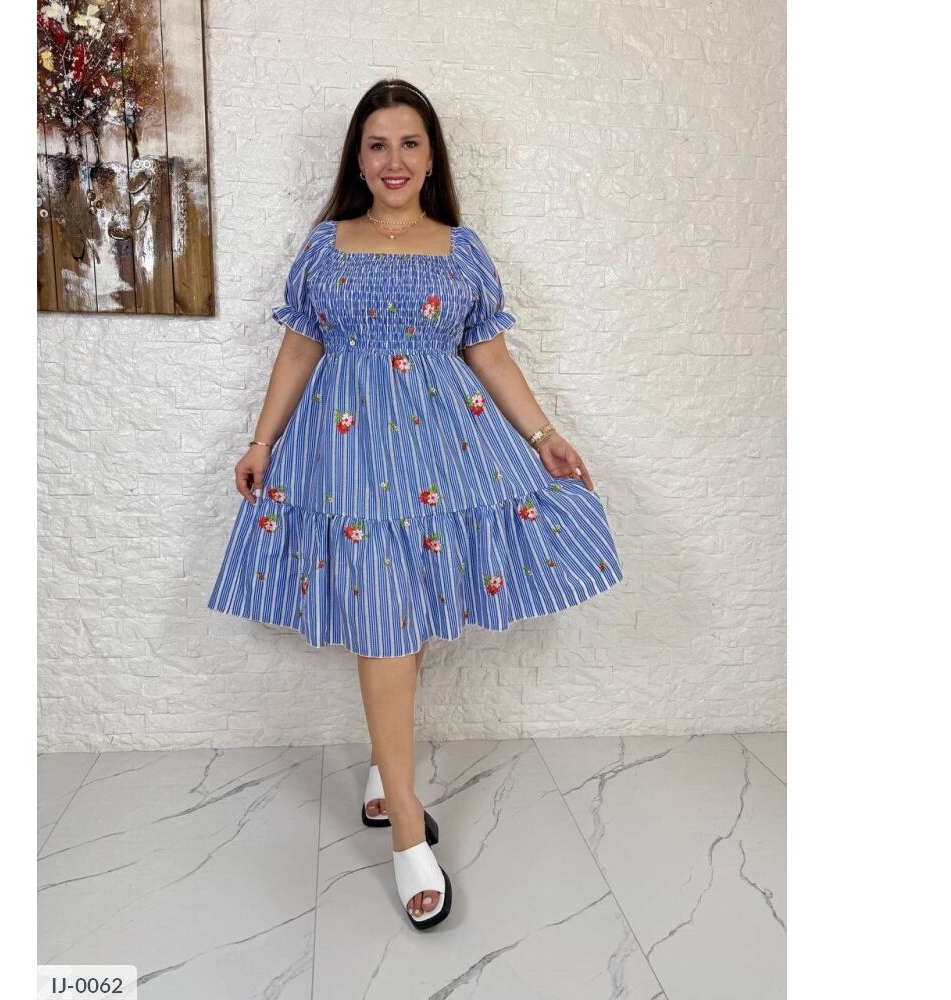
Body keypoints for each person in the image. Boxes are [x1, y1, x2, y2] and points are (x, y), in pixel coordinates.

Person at [206, 79, 624, 930]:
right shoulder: (325, 245)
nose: (392, 160)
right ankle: (404, 827)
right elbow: (298, 348)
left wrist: (543, 434)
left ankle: (380, 773)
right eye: (376, 144)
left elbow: (487, 352)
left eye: (408, 143)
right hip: (346, 455)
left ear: (431, 156)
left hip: (445, 451)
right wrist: (260, 441)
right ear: (356, 159)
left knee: (409, 612)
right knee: (384, 622)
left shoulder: (460, 248)